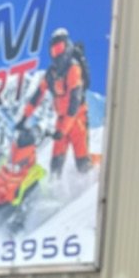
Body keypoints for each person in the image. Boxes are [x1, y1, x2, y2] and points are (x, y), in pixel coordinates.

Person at [21, 27, 92, 177]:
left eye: (59, 48)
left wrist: (64, 129)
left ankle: (98, 173)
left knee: (82, 163)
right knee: (56, 162)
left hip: (77, 118)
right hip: (61, 120)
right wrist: (24, 117)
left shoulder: (74, 68)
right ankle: (55, 191)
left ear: (67, 47)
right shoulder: (51, 73)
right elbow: (37, 95)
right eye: (53, 50)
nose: (56, 54)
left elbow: (75, 101)